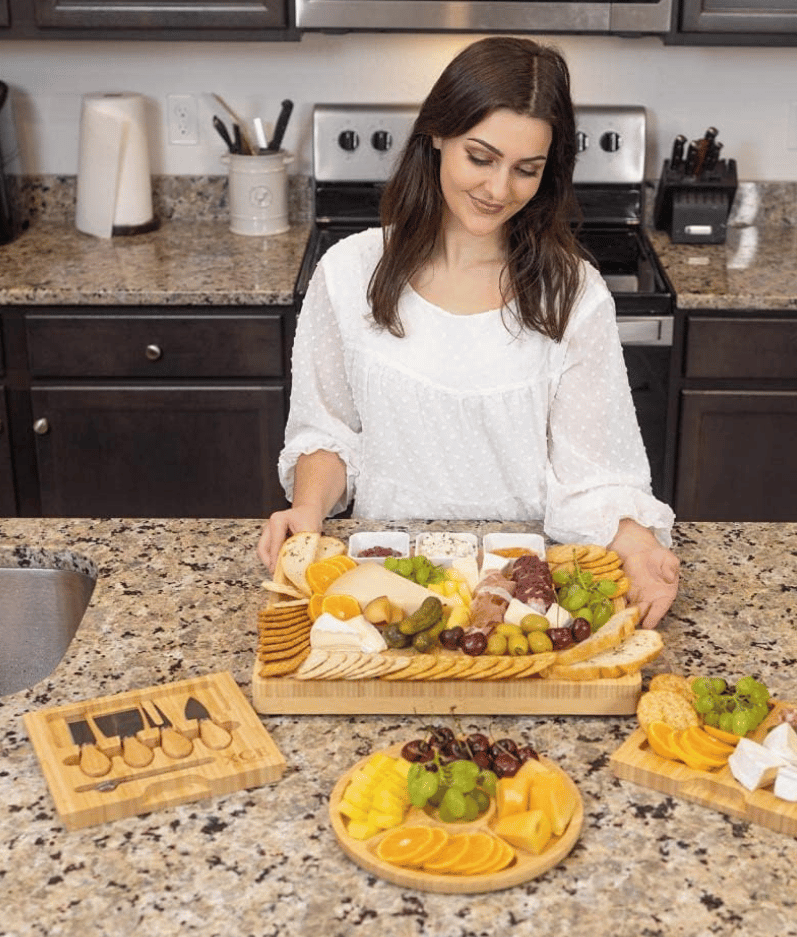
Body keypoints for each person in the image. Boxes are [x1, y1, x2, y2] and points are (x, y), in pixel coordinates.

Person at [258, 36, 679, 629]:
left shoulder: (572, 292)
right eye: (481, 158)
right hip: (387, 595)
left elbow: (595, 473)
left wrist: (637, 544)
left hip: (521, 600)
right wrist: (306, 510)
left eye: (525, 170)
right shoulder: (350, 273)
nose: (499, 190)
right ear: (437, 135)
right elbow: (328, 432)